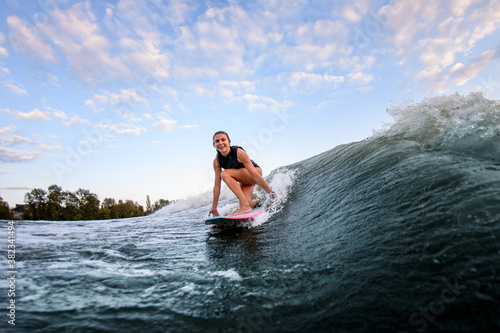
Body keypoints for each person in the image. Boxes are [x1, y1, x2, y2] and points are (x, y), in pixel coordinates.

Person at [209, 131, 277, 217]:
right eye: (217, 141)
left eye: (223, 140)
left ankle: (245, 207)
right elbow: (217, 185)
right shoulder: (217, 161)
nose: (220, 143)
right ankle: (255, 202)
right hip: (243, 179)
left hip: (254, 173)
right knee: (247, 202)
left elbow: (255, 175)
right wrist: (214, 207)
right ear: (214, 144)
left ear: (229, 142)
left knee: (225, 174)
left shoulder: (239, 152)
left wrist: (272, 193)